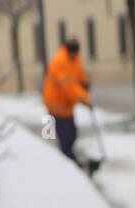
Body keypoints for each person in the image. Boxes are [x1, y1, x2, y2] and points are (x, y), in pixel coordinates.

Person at [42, 35, 97, 170]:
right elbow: (69, 88)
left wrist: (84, 83)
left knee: (72, 134)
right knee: (65, 137)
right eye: (71, 50)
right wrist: (86, 99)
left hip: (67, 107)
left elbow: (79, 74)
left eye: (75, 50)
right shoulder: (60, 61)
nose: (74, 53)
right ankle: (67, 164)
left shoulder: (76, 59)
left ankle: (69, 159)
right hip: (56, 106)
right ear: (67, 49)